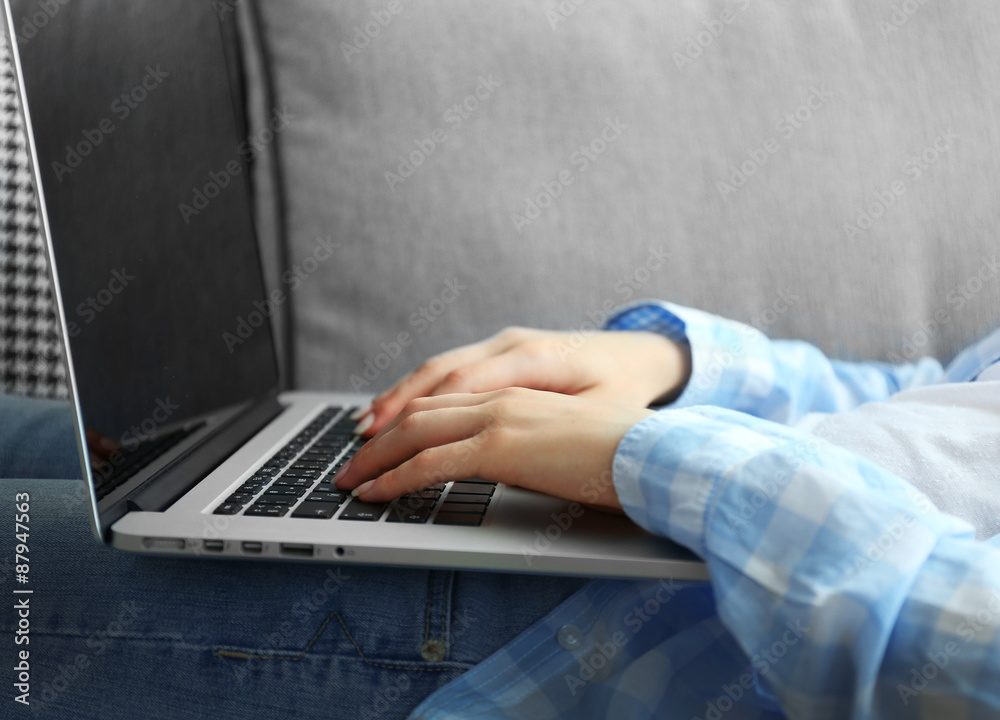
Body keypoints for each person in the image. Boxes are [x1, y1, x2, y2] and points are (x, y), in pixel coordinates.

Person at [3, 299, 1000, 719]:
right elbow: (942, 402)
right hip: (652, 510)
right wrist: (671, 365)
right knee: (87, 442)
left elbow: (964, 653)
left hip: (595, 635)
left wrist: (651, 452)